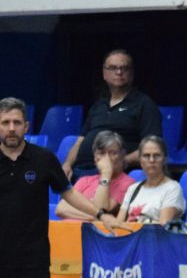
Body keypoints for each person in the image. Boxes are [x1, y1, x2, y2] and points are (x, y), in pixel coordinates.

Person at [1, 98, 119, 278]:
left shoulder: (43, 158)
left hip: (32, 259)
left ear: (26, 126)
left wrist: (100, 214)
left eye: (17, 122)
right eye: (5, 122)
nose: (11, 128)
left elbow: (69, 193)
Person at [62, 49, 163, 180]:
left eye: (124, 68)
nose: (119, 72)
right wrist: (67, 164)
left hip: (114, 175)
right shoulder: (99, 105)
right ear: (104, 73)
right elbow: (80, 141)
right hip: (80, 172)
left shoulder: (144, 104)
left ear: (132, 73)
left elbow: (152, 147)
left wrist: (121, 162)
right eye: (113, 68)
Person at [54, 131, 137, 221]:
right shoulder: (84, 180)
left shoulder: (128, 184)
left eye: (113, 153)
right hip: (68, 227)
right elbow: (61, 208)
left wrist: (106, 174)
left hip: (91, 229)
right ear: (95, 157)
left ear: (122, 155)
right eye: (101, 153)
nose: (107, 158)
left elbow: (101, 208)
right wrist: (96, 217)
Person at [117, 136, 184, 226]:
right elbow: (118, 224)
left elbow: (163, 226)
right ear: (140, 160)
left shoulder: (172, 188)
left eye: (157, 156)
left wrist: (138, 222)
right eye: (146, 156)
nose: (151, 160)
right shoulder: (133, 189)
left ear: (164, 159)